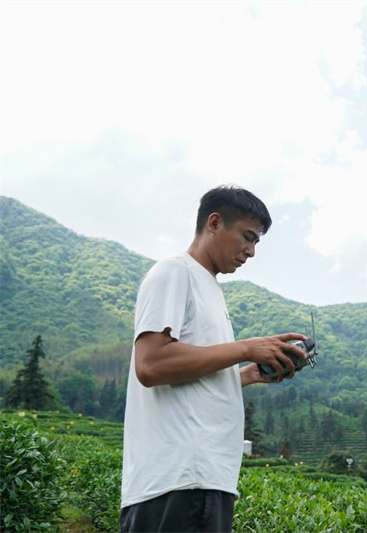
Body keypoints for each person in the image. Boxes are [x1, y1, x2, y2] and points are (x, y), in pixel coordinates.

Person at [120, 185, 307, 532]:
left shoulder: (210, 289)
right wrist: (247, 348)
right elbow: (151, 365)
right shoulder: (175, 272)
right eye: (247, 237)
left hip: (204, 481)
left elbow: (186, 376)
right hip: (180, 481)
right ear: (215, 223)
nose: (250, 251)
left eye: (256, 243)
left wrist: (245, 374)